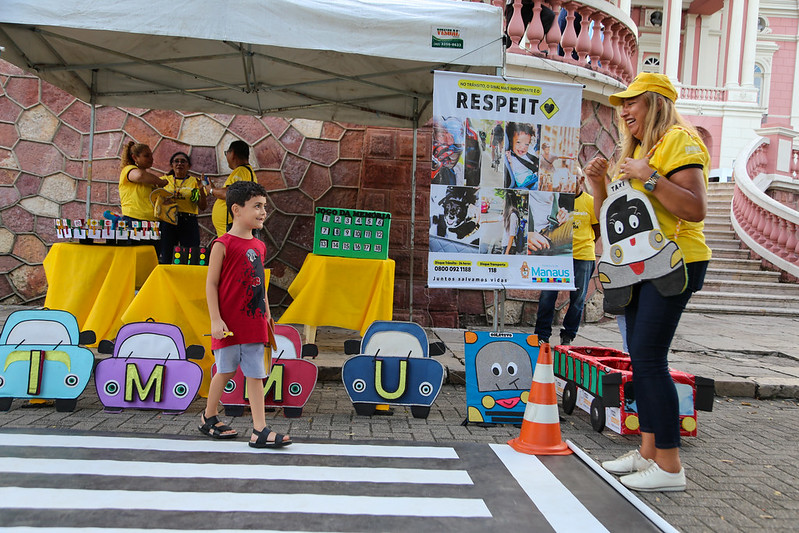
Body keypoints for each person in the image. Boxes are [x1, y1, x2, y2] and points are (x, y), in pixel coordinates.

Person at [584, 72, 711, 492]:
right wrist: (598, 184)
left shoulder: (678, 140)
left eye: (632, 102)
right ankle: (648, 453)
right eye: (622, 104)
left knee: (649, 358)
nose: (624, 110)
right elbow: (611, 219)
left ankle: (670, 467)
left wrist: (650, 175)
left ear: (655, 102)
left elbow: (695, 208)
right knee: (641, 358)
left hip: (675, 262)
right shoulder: (634, 151)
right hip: (639, 265)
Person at [201, 180, 292, 448]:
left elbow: (259, 280)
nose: (263, 212)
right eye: (257, 206)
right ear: (236, 210)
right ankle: (209, 416)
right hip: (229, 323)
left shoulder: (259, 246)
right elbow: (211, 284)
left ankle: (259, 429)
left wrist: (266, 311)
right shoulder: (222, 244)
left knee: (256, 373)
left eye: (264, 206)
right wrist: (216, 319)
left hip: (254, 322)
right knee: (226, 370)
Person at [534, 169, 599, 345]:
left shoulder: (591, 202)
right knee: (548, 295)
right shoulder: (558, 199)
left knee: (578, 298)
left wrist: (585, 243)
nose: (570, 182)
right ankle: (541, 335)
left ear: (582, 180)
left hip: (583, 256)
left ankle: (568, 335)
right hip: (558, 256)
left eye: (575, 178)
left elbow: (597, 229)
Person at [158, 152, 207, 263]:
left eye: (183, 161)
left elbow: (203, 206)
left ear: (189, 166)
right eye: (176, 161)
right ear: (172, 165)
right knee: (167, 255)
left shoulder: (195, 182)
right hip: (168, 221)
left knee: (191, 255)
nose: (179, 164)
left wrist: (201, 190)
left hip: (188, 221)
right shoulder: (164, 180)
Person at [118, 141, 168, 249]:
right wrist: (160, 182)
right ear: (135, 157)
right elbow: (139, 175)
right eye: (146, 156)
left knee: (152, 256)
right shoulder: (128, 170)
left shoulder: (149, 179)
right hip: (134, 220)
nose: (151, 158)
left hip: (153, 222)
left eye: (151, 155)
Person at [210, 140, 256, 237]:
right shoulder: (245, 171)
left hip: (231, 228)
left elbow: (230, 193)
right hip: (231, 228)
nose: (226, 157)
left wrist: (211, 190)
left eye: (227, 153)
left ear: (233, 153)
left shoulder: (241, 171)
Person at [504, 122, 539, 189]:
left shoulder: (526, 155)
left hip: (533, 179)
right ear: (511, 142)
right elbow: (512, 173)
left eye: (526, 144)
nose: (523, 147)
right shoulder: (511, 157)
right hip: (526, 184)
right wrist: (510, 161)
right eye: (518, 142)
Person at [501, 190, 523, 255]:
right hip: (507, 246)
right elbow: (499, 218)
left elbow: (512, 235)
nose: (503, 202)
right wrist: (485, 220)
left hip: (509, 247)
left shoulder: (513, 215)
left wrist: (507, 252)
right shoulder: (509, 214)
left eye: (504, 200)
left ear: (508, 202)